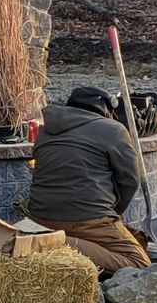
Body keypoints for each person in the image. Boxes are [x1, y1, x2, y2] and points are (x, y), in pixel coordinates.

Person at [26, 86, 150, 273]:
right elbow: (130, 180)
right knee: (139, 263)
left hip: (39, 216)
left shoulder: (46, 129)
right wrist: (113, 214)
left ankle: (51, 236)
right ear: (106, 109)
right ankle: (56, 243)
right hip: (87, 218)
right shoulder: (113, 129)